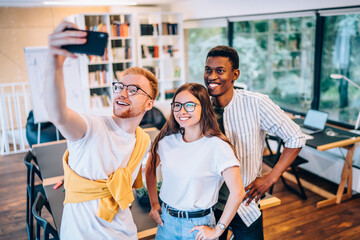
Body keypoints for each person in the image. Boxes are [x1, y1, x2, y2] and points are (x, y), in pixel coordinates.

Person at [44, 21, 158, 239]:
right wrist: (54, 63)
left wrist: (76, 178)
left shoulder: (141, 140)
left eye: (133, 90)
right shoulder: (91, 128)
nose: (122, 93)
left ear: (149, 103)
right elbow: (57, 113)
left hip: (125, 233)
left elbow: (121, 186)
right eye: (119, 87)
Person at [204, 45, 306, 240]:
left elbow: (295, 137)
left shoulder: (256, 103)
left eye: (220, 71)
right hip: (209, 205)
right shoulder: (201, 107)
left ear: (235, 74)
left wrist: (271, 177)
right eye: (208, 70)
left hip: (245, 205)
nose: (212, 76)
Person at [145, 83, 246, 240]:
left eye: (190, 105)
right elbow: (150, 167)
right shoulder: (166, 141)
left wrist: (218, 230)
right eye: (177, 105)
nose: (182, 111)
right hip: (166, 222)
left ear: (204, 107)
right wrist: (154, 203)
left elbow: (238, 192)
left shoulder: (218, 146)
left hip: (198, 227)